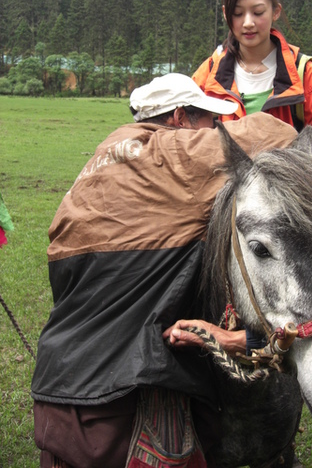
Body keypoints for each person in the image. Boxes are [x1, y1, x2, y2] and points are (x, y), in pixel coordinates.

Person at [31, 73, 298, 468]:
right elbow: (277, 133)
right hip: (125, 405)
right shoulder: (176, 155)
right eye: (210, 120)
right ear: (180, 118)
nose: (217, 128)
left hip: (58, 391)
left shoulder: (99, 161)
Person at [192, 0, 312, 178]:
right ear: (225, 14)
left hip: (284, 203)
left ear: (276, 11)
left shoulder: (304, 74)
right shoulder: (208, 74)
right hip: (219, 202)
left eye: (258, 12)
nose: (248, 23)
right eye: (237, 14)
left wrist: (299, 185)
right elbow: (183, 135)